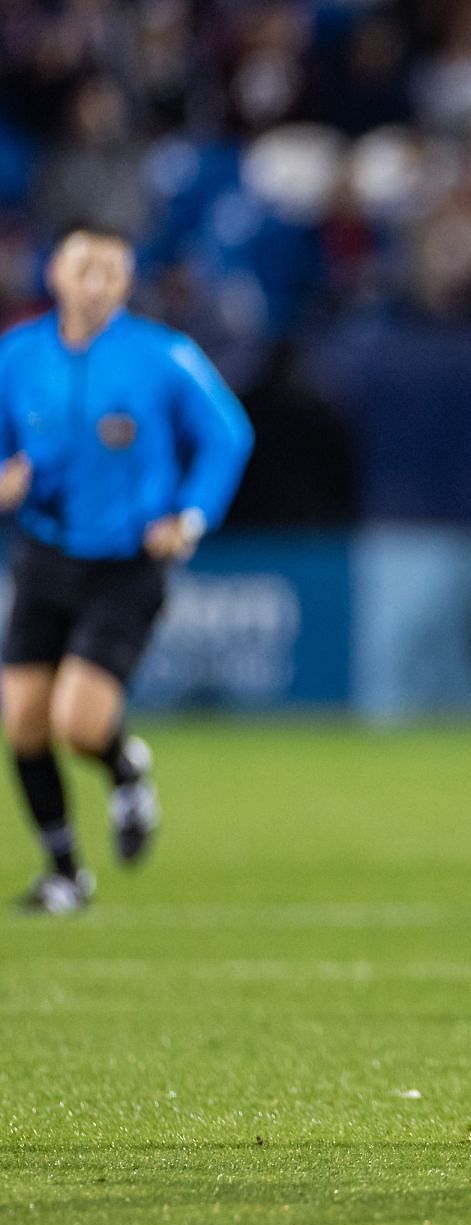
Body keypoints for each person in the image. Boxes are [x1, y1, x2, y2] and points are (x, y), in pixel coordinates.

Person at [0, 224, 254, 915]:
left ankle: (123, 767)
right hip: (45, 554)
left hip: (127, 565)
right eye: (83, 266)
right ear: (54, 273)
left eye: (110, 270)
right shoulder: (16, 356)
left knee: (78, 724)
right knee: (22, 720)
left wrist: (190, 517)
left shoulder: (162, 355)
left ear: (124, 281)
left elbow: (228, 434)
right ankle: (64, 875)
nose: (95, 281)